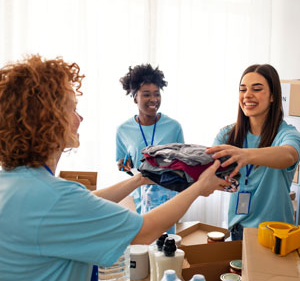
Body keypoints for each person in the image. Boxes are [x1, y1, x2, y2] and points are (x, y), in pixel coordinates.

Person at [0, 55, 232, 281]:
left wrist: (139, 179)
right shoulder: (54, 196)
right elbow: (144, 231)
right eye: (72, 109)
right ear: (48, 120)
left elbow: (85, 200)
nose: (80, 118)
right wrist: (200, 187)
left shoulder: (15, 183)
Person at [206, 64, 300, 240]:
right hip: (238, 230)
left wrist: (245, 155)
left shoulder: (287, 133)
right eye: (243, 90)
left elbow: (289, 155)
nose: (247, 95)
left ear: (273, 96)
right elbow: (209, 168)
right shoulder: (227, 134)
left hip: (276, 233)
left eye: (256, 89)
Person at [116, 64, 184, 233]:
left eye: (157, 94)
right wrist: (124, 166)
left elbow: (183, 163)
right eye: (146, 94)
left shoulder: (174, 127)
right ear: (134, 97)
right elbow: (123, 161)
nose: (153, 99)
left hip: (168, 202)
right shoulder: (123, 130)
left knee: (166, 251)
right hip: (139, 203)